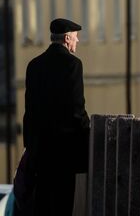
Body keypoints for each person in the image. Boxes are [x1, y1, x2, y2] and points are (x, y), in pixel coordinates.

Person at [20, 18, 90, 215]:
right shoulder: (73, 64)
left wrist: (30, 148)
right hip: (64, 152)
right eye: (76, 38)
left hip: (40, 153)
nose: (77, 42)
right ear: (67, 38)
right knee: (62, 205)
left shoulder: (34, 65)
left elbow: (29, 112)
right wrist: (88, 132)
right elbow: (76, 108)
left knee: (42, 205)